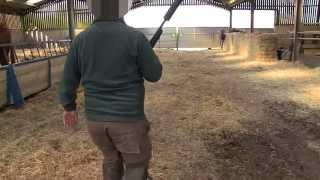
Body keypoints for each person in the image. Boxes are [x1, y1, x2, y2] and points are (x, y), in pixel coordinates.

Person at [59, 0, 162, 179]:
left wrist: (69, 107)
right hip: (127, 120)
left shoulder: (81, 40)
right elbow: (154, 74)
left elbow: (68, 78)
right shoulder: (135, 37)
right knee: (136, 166)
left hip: (96, 123)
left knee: (111, 159)